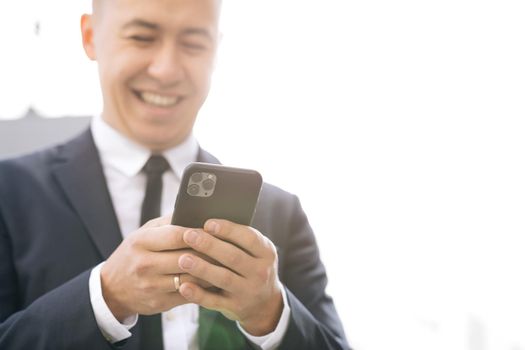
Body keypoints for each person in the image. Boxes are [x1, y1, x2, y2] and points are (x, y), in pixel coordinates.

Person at [0, 0, 349, 349]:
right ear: (91, 36)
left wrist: (272, 315)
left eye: (194, 43)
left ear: (215, 50)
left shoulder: (279, 213)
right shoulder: (10, 194)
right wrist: (104, 299)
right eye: (141, 37)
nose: (167, 69)